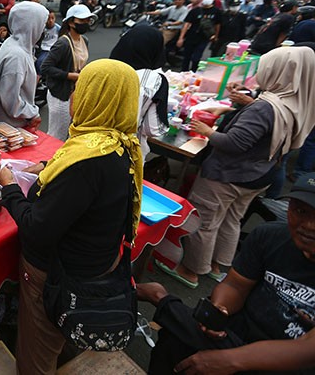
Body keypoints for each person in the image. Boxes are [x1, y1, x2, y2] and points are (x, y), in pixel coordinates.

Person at [0, 58, 143, 374]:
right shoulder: (117, 143)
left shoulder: (86, 161)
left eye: (79, 89)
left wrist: (9, 189)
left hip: (59, 276)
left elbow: (36, 229)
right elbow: (91, 189)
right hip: (96, 263)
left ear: (95, 98)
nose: (73, 96)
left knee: (37, 352)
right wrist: (49, 169)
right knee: (62, 332)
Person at [159, 46, 315, 288]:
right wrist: (233, 109)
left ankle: (190, 270)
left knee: (206, 220)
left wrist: (207, 131)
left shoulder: (265, 107)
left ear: (279, 72)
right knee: (231, 219)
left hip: (229, 174)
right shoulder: (298, 101)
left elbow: (233, 143)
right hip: (260, 173)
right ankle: (217, 265)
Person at [137, 172, 315, 374]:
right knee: (177, 338)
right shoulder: (270, 236)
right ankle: (162, 300)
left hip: (292, 362)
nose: (309, 225)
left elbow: (307, 348)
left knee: (180, 324)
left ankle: (161, 298)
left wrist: (231, 360)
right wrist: (221, 307)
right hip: (236, 334)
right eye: (301, 211)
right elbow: (235, 285)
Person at [110, 25, 169, 159]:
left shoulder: (102, 68)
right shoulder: (156, 81)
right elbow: (153, 129)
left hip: (86, 145)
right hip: (125, 153)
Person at [41, 4, 93, 140]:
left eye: (88, 20)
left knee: (69, 132)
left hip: (75, 93)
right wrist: (70, 75)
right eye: (82, 21)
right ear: (71, 22)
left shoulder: (84, 41)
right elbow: (45, 67)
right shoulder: (63, 44)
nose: (86, 24)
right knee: (57, 134)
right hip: (60, 94)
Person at [0, 1, 47, 130]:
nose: (43, 29)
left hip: (10, 124)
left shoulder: (13, 43)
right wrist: (32, 113)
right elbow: (10, 99)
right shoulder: (17, 56)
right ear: (32, 25)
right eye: (42, 24)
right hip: (10, 128)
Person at [177, 0, 222, 71]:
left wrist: (216, 36)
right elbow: (186, 24)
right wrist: (181, 37)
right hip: (191, 36)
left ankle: (193, 72)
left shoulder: (217, 12)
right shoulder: (195, 11)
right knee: (186, 57)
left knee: (196, 58)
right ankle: (183, 73)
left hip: (204, 38)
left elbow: (217, 25)